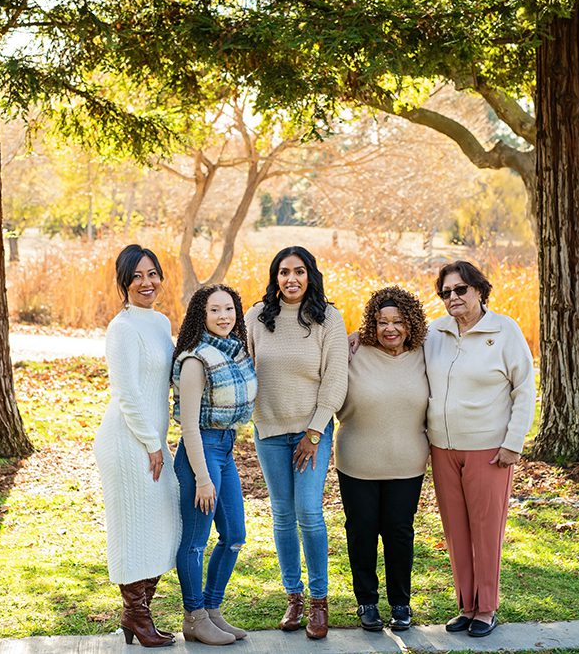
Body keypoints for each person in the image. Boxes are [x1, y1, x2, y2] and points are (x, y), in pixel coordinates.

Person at [426, 261, 536, 638]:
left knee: (486, 530)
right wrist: (357, 337)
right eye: (446, 293)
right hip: (443, 448)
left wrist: (513, 444)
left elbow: (524, 390)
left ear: (478, 290)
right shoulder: (434, 332)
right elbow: (393, 340)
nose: (453, 298)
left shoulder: (504, 331)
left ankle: (486, 608)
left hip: (489, 450)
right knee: (456, 531)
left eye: (460, 290)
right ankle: (466, 606)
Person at [244, 246, 348, 640]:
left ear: (310, 276)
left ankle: (320, 603)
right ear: (275, 277)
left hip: (313, 432)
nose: (291, 279)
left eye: (299, 271)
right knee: (282, 515)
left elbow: (335, 379)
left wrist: (315, 431)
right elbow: (245, 367)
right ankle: (294, 597)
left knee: (308, 511)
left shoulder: (328, 319)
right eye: (284, 272)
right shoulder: (257, 316)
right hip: (269, 431)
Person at [93, 244, 180, 648]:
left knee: (163, 524)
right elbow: (126, 392)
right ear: (124, 282)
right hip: (129, 441)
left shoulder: (161, 322)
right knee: (133, 528)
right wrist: (151, 443)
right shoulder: (122, 327)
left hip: (153, 441)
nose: (146, 283)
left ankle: (136, 613)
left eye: (152, 274)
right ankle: (138, 616)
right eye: (137, 276)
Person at [336, 286, 429, 632]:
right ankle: (367, 602)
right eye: (382, 322)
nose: (390, 329)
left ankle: (401, 603)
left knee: (399, 532)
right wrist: (343, 342)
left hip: (407, 462)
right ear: (371, 325)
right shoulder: (353, 350)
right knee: (361, 532)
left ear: (411, 323)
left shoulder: (425, 352)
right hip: (357, 461)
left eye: (398, 321)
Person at [171, 285, 257, 645]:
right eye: (214, 311)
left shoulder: (235, 352)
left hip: (225, 448)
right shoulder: (196, 359)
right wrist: (203, 478)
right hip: (199, 454)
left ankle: (213, 610)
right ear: (201, 316)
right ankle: (194, 616)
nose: (224, 317)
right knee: (195, 542)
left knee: (235, 535)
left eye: (229, 309)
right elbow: (189, 424)